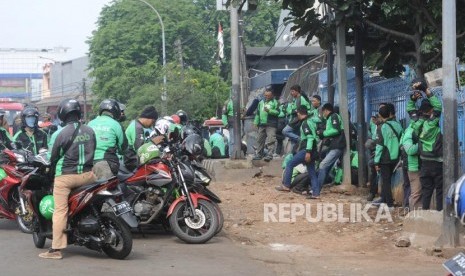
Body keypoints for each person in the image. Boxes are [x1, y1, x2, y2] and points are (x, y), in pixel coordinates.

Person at [39, 99, 97, 260]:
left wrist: (50, 174)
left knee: (60, 212)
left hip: (66, 178)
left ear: (63, 115)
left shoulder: (60, 133)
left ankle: (56, 249)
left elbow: (54, 158)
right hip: (88, 176)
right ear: (79, 113)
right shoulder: (90, 130)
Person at [410, 79, 443, 211]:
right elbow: (439, 107)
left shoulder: (415, 123)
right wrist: (426, 90)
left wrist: (412, 99)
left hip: (424, 162)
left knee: (427, 191)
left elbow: (410, 110)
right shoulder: (432, 123)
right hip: (437, 162)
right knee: (440, 191)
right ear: (430, 111)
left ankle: (425, 213)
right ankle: (441, 215)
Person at [276, 106, 319, 199]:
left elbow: (310, 137)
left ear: (299, 113)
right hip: (313, 150)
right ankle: (316, 193)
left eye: (297, 114)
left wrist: (308, 152)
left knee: (289, 164)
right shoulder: (311, 121)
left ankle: (286, 186)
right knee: (311, 172)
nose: (297, 116)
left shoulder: (305, 123)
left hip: (306, 150)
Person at [373, 104, 403, 208]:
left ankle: (389, 203)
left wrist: (376, 161)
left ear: (380, 115)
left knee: (385, 181)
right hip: (396, 158)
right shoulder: (398, 125)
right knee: (389, 179)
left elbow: (379, 146)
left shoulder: (381, 127)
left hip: (385, 158)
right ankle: (384, 200)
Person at [88, 99, 127, 178]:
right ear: (115, 111)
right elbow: (123, 148)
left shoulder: (90, 123)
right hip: (106, 164)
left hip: (87, 163)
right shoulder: (116, 124)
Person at [316, 103, 346, 188]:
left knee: (323, 165)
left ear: (326, 110)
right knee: (327, 167)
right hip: (333, 145)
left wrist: (323, 133)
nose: (323, 114)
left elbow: (336, 130)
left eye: (323, 112)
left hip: (337, 145)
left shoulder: (334, 116)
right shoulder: (329, 118)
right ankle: (325, 182)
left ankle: (317, 188)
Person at [124, 106, 162, 171]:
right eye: (153, 122)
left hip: (132, 158)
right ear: (149, 118)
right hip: (131, 161)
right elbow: (140, 148)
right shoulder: (137, 128)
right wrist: (153, 142)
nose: (151, 125)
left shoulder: (136, 125)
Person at [400, 109, 421, 210]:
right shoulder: (410, 130)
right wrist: (421, 145)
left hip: (410, 163)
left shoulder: (409, 129)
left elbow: (402, 145)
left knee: (412, 188)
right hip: (412, 164)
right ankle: (410, 212)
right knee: (415, 191)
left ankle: (408, 208)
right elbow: (409, 149)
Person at [253, 89, 279, 161]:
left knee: (271, 140)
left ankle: (270, 155)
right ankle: (259, 154)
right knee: (260, 140)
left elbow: (278, 112)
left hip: (271, 124)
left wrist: (269, 111)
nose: (266, 96)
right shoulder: (261, 102)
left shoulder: (275, 102)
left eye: (268, 95)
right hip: (262, 124)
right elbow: (258, 113)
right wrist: (255, 122)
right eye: (265, 95)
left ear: (272, 95)